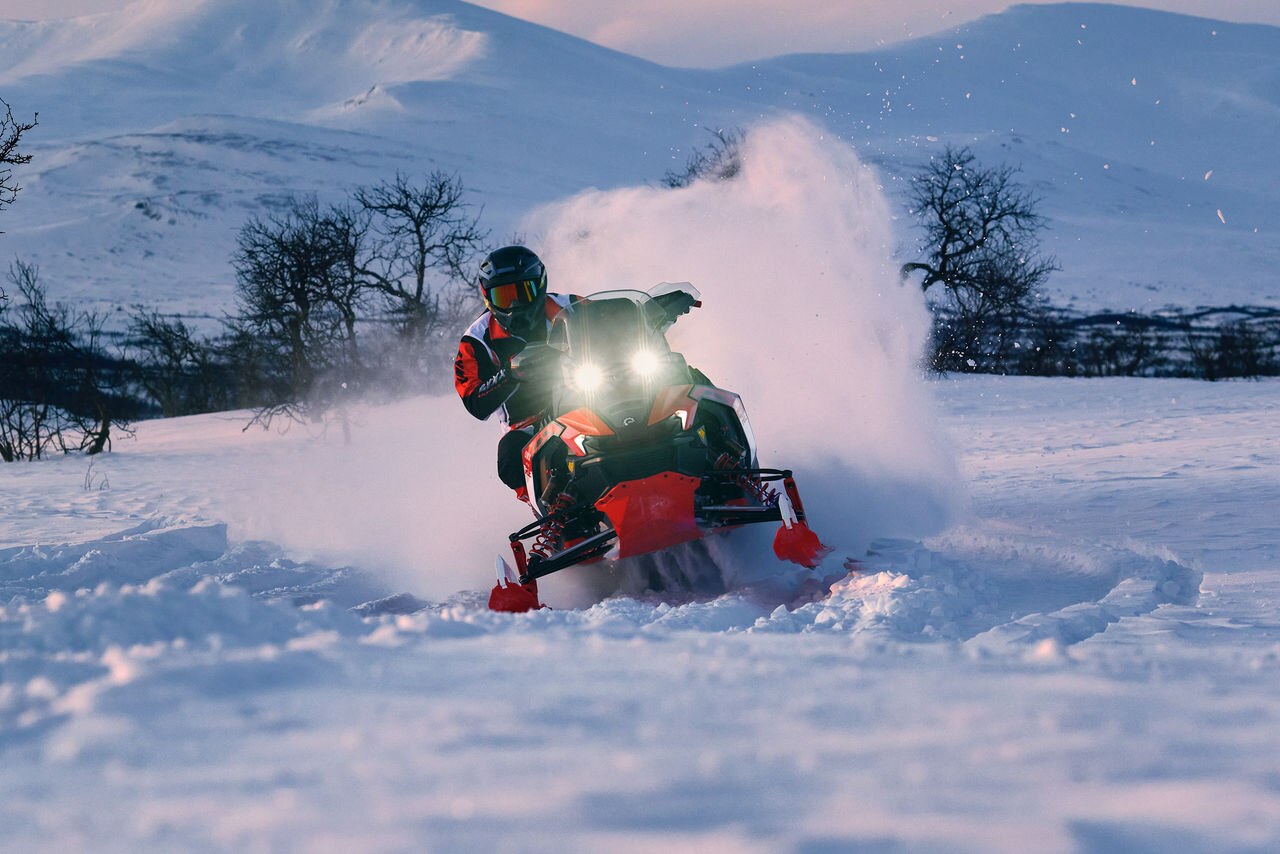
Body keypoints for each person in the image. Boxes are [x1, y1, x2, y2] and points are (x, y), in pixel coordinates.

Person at [453, 245, 578, 502]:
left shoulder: (571, 307)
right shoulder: (476, 340)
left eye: (523, 292)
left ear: (540, 286)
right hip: (530, 422)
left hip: (590, 394)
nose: (514, 304)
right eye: (504, 296)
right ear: (488, 298)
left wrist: (648, 311)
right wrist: (510, 373)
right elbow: (475, 401)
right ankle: (555, 512)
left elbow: (612, 316)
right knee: (511, 455)